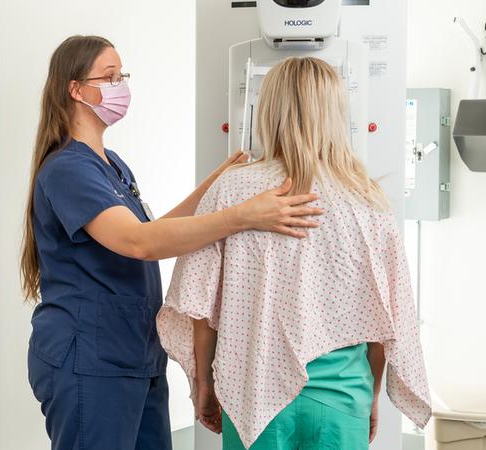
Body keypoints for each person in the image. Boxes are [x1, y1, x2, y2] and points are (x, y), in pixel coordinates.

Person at [20, 36, 325, 450]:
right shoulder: (68, 169)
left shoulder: (110, 164)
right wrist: (243, 216)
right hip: (89, 359)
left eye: (121, 76)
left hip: (134, 353)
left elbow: (156, 228)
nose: (120, 87)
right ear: (75, 89)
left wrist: (218, 185)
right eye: (109, 78)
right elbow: (138, 243)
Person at [157, 57, 432, 450]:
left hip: (252, 395)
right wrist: (369, 396)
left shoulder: (231, 191)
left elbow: (201, 306)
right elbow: (385, 317)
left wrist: (204, 383)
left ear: (268, 111)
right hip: (341, 398)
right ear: (336, 113)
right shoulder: (367, 201)